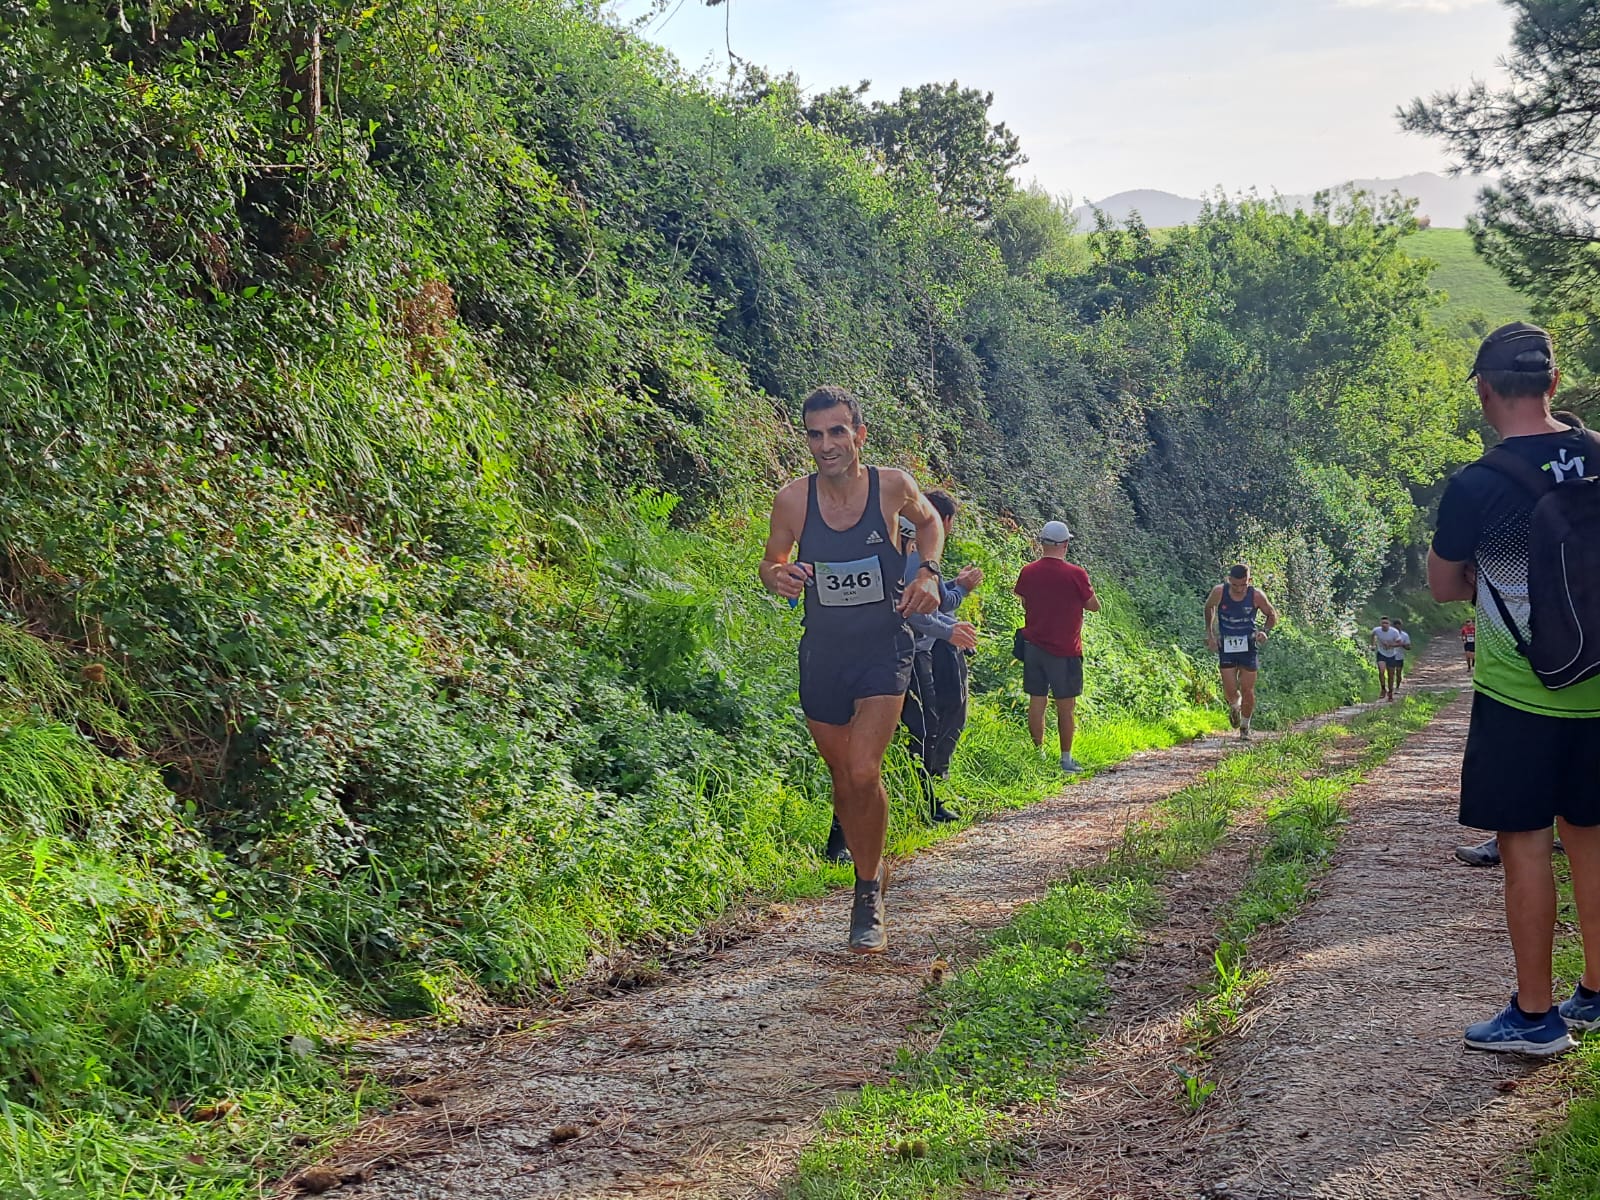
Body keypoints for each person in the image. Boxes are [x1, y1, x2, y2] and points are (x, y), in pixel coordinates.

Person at [1429, 321, 1600, 1054]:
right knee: (1592, 840)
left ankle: (1535, 1018)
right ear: (1554, 384)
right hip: (1599, 686)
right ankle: (1595, 994)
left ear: (1484, 391)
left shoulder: (1477, 484)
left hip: (1518, 692)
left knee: (1525, 845)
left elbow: (1442, 588)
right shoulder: (1599, 456)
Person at [759, 385, 945, 954]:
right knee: (844, 778)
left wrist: (928, 573)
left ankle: (867, 894)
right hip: (823, 652)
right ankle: (871, 866)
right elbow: (772, 561)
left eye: (837, 432)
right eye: (815, 435)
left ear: (859, 435)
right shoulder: (793, 500)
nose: (826, 445)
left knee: (864, 770)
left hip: (883, 647)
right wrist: (777, 576)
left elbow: (931, 522)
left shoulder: (892, 487)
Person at [896, 493, 982, 825]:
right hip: (910, 653)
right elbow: (912, 609)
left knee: (926, 727)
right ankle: (926, 802)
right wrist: (950, 630)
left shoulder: (921, 554)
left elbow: (934, 602)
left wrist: (952, 624)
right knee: (923, 728)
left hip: (916, 650)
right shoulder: (913, 553)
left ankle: (927, 798)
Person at [1014, 521, 1099, 773]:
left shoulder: (1027, 571)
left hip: (1034, 646)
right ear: (1065, 544)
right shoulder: (1076, 574)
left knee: (1036, 701)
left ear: (1042, 542)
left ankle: (1038, 754)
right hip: (1065, 650)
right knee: (1066, 707)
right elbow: (1093, 605)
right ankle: (1065, 759)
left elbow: (1024, 602)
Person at [1204, 564, 1277, 739]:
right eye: (1234, 585)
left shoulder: (1256, 595)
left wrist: (1264, 632)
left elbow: (1272, 614)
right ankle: (1235, 706)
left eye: (1242, 585)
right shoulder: (1219, 592)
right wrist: (1210, 634)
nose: (1238, 589)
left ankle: (1245, 727)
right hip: (1227, 645)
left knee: (1248, 689)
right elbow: (1209, 607)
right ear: (1229, 580)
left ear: (1249, 581)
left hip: (1248, 645)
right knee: (1230, 691)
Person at [1371, 617, 1405, 702]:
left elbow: (1400, 643)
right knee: (1381, 671)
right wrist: (1373, 645)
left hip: (1391, 655)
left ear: (1389, 624)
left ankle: (1390, 692)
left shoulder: (1394, 632)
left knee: (1391, 675)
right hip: (1381, 653)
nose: (1384, 625)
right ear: (1380, 624)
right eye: (1383, 623)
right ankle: (1383, 689)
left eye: (1386, 623)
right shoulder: (1377, 630)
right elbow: (1372, 636)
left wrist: (1390, 645)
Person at [1393, 621, 1412, 692]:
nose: (1397, 628)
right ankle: (1390, 687)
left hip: (1399, 657)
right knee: (1391, 672)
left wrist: (1402, 645)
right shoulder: (1390, 634)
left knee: (1398, 672)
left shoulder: (1404, 635)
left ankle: (1397, 687)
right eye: (1395, 627)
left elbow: (1409, 647)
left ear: (1401, 626)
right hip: (1390, 656)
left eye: (1398, 626)